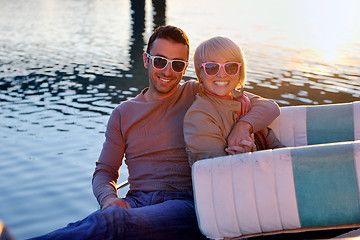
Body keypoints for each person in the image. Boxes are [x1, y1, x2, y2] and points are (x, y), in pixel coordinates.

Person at [29, 26, 280, 240]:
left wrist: (242, 126)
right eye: (160, 61)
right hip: (136, 202)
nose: (168, 71)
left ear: (185, 69)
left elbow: (267, 106)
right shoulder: (123, 113)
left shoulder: (199, 92)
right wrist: (108, 199)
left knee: (112, 224)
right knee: (101, 221)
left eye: (177, 64)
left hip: (187, 202)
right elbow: (105, 171)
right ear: (146, 60)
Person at [184, 36, 284, 166]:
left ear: (239, 72)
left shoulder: (242, 101)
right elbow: (215, 174)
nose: (222, 74)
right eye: (212, 67)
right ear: (200, 74)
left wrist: (243, 126)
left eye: (230, 67)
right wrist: (248, 158)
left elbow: (272, 108)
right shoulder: (199, 117)